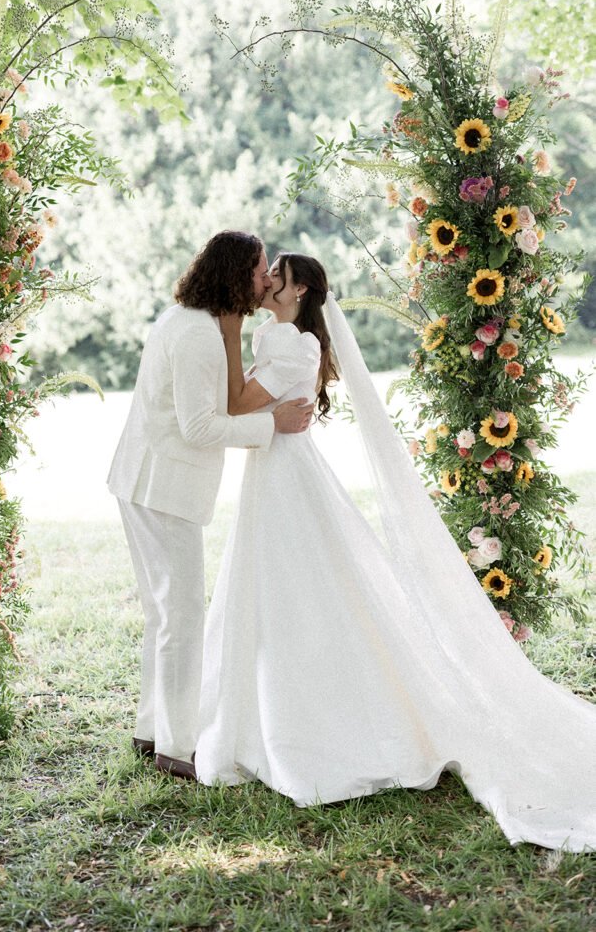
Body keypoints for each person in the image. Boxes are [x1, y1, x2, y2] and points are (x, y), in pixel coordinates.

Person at [194, 252, 596, 852]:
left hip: (287, 480)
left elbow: (236, 406)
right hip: (274, 475)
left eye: (275, 272)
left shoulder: (294, 344)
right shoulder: (278, 335)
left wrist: (228, 335)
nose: (266, 280)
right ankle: (266, 720)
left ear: (299, 287)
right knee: (279, 593)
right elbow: (256, 409)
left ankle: (322, 731)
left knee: (300, 592)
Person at [107, 232, 314, 779]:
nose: (266, 279)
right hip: (163, 488)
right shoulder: (199, 335)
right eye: (260, 270)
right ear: (235, 274)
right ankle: (177, 745)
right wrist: (273, 423)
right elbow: (200, 425)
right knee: (181, 617)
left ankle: (151, 730)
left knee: (163, 616)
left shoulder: (186, 319)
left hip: (142, 479)